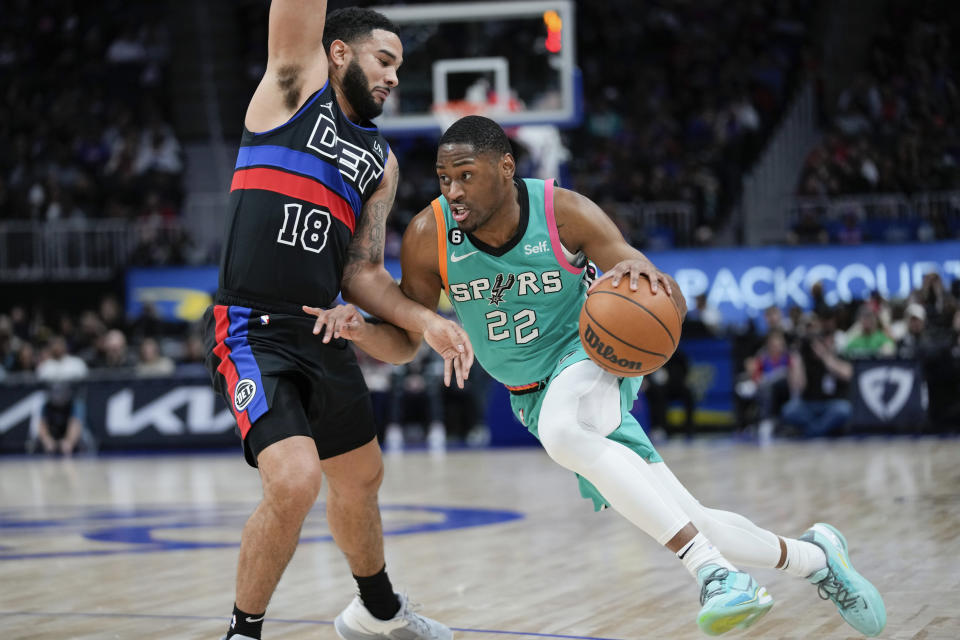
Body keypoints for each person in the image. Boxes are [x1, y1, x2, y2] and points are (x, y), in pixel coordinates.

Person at [307, 116, 886, 637]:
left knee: (565, 431)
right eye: (442, 177)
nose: (452, 190)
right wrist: (361, 331)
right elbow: (407, 342)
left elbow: (656, 286)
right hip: (528, 397)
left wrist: (651, 294)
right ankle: (816, 558)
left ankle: (714, 576)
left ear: (506, 168)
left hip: (592, 361)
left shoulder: (565, 213)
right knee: (695, 518)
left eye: (465, 175)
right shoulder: (429, 235)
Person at [202, 4, 472, 640]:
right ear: (341, 54)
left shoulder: (380, 160)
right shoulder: (292, 89)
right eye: (386, 60)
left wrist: (422, 320)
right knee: (294, 480)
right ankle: (244, 632)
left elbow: (362, 271)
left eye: (400, 67)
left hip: (323, 327)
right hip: (251, 327)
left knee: (361, 477)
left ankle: (377, 611)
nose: (395, 78)